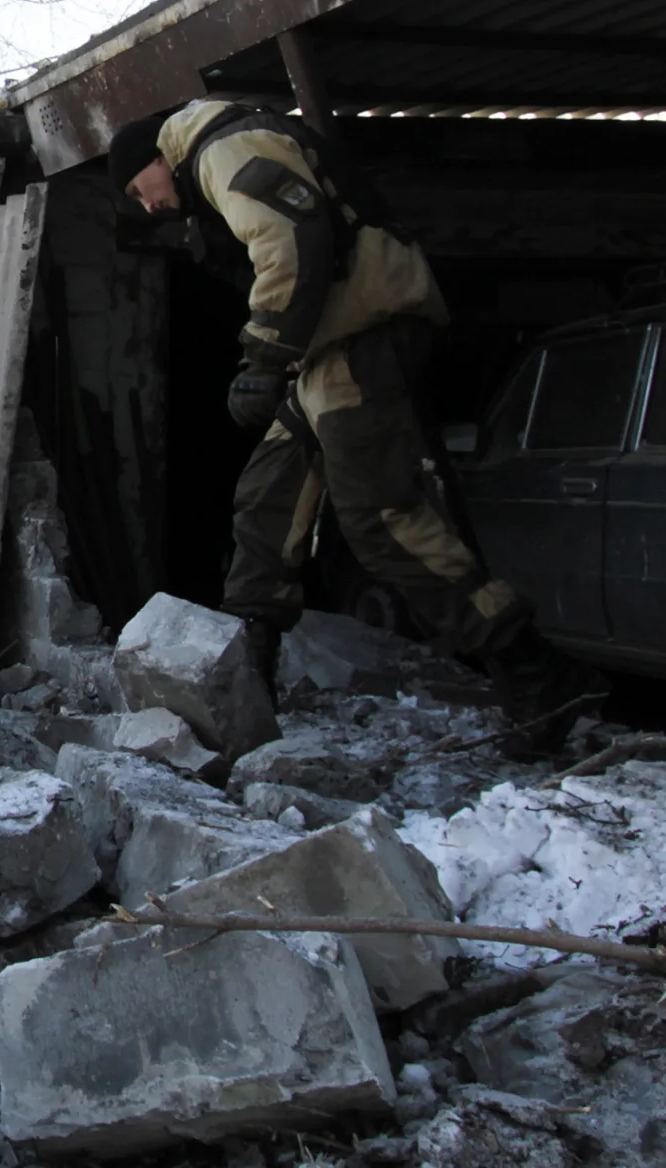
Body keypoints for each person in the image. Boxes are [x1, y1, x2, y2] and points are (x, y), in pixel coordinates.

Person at [108, 99, 602, 749]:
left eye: (140, 191)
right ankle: (245, 685)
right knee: (266, 507)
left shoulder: (221, 148)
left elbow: (291, 238)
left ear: (153, 159)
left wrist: (262, 358)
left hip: (360, 346)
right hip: (321, 358)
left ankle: (535, 670)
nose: (151, 207)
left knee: (384, 521)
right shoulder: (212, 160)